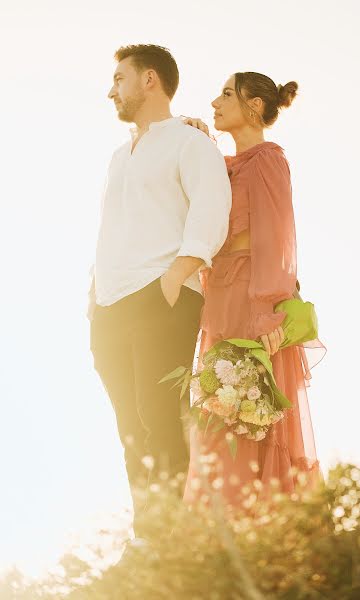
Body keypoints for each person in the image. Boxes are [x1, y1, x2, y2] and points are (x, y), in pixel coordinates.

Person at [87, 44, 232, 537]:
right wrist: (93, 293)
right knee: (131, 430)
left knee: (162, 419)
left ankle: (175, 537)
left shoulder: (191, 142)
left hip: (162, 296)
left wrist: (178, 274)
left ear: (150, 80)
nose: (111, 91)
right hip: (109, 304)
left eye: (119, 79)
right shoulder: (117, 157)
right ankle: (148, 537)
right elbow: (112, 228)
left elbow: (211, 207)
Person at [182, 72, 327, 509]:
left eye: (227, 94)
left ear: (256, 106)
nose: (214, 101)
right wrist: (196, 140)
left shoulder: (267, 159)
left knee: (251, 410)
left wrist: (268, 310)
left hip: (252, 296)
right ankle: (223, 521)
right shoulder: (224, 164)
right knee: (221, 407)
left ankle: (260, 523)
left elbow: (276, 236)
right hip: (220, 297)